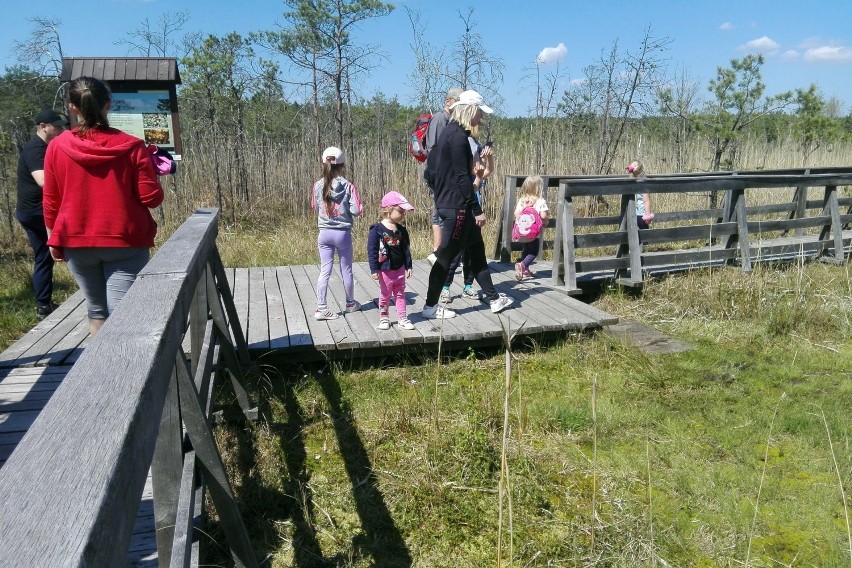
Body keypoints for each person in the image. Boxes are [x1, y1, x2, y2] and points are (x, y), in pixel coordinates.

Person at [43, 77, 164, 336]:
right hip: (125, 240)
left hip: (75, 240)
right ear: (108, 105)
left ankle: (100, 373)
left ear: (73, 108)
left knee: (97, 311)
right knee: (124, 315)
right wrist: (152, 171)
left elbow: (51, 200)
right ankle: (125, 373)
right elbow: (151, 198)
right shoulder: (132, 147)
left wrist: (53, 239)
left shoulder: (56, 146)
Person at [422, 90, 513, 319]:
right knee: (445, 257)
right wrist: (477, 209)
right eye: (480, 113)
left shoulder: (450, 133)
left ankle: (494, 299)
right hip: (458, 208)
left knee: (476, 251)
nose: (481, 118)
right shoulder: (459, 137)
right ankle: (430, 307)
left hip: (450, 204)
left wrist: (440, 196)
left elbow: (432, 169)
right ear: (470, 111)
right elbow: (462, 178)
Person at [15, 109, 68, 318]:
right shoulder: (36, 149)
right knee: (71, 246)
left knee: (43, 257)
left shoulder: (44, 147)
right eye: (57, 126)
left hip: (29, 211)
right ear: (43, 126)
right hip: (37, 211)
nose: (61, 130)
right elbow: (44, 181)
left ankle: (43, 306)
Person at [311, 146, 363, 320]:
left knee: (325, 270)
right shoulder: (348, 186)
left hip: (324, 233)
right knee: (346, 269)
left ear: (322, 164)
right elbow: (356, 210)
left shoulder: (317, 185)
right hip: (343, 234)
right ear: (342, 165)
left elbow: (314, 208)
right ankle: (350, 303)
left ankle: (321, 308)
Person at [424, 87, 463, 263]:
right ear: (448, 101)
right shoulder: (440, 118)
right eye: (457, 101)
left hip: (445, 174)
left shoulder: (452, 120)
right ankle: (437, 252)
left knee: (441, 210)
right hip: (438, 174)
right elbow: (434, 150)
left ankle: (440, 253)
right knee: (440, 210)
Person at [367, 191, 415, 331]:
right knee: (385, 294)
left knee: (400, 293)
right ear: (389, 209)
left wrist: (409, 266)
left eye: (404, 212)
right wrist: (374, 269)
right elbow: (372, 250)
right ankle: (384, 317)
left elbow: (406, 249)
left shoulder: (401, 230)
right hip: (385, 269)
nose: (403, 215)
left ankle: (402, 318)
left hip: (399, 268)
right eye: (401, 211)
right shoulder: (376, 230)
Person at [513, 175, 550, 281]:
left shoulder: (522, 200)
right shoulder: (540, 201)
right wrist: (547, 216)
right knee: (534, 251)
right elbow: (543, 216)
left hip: (522, 231)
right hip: (533, 233)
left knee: (526, 248)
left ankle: (525, 270)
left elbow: (516, 213)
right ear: (539, 188)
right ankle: (523, 265)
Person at [627, 160, 654, 229]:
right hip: (641, 214)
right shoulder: (643, 183)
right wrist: (648, 216)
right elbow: (646, 201)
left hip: (632, 213)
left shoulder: (631, 181)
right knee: (644, 237)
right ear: (642, 170)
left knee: (634, 236)